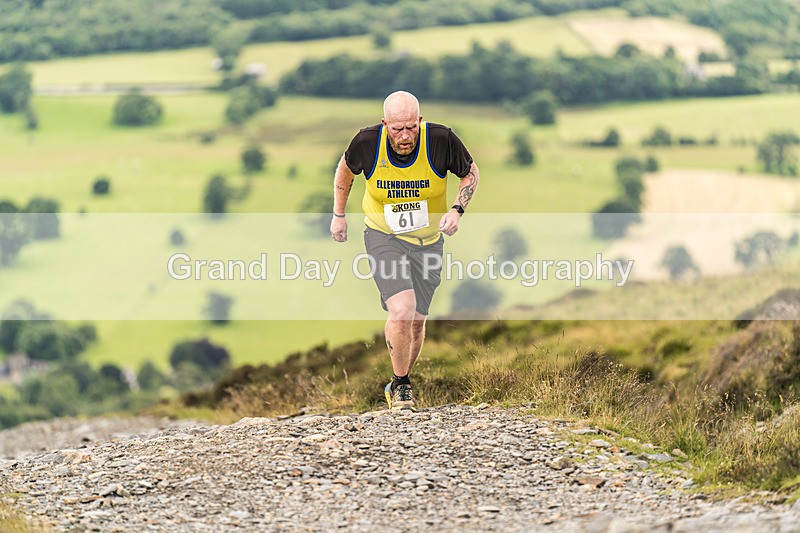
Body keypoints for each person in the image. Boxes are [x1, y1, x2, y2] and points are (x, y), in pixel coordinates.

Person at [330, 91, 480, 411]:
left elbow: (471, 172)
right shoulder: (367, 142)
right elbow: (346, 170)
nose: (404, 136)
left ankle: (398, 379)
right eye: (397, 129)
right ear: (386, 124)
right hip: (384, 236)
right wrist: (339, 215)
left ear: (420, 121)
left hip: (428, 243)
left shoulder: (441, 140)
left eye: (411, 127)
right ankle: (402, 388)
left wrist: (456, 209)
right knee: (402, 309)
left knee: (416, 321)